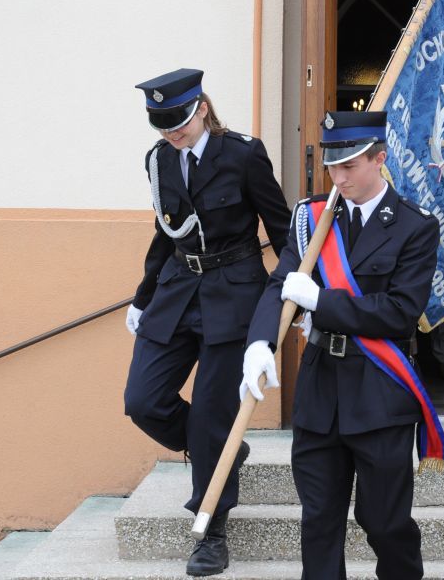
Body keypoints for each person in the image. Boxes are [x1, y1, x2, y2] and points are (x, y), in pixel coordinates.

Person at [240, 110, 441, 580]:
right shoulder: (311, 219)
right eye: (333, 165)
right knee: (319, 520)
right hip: (320, 390)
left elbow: (398, 313)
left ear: (380, 159)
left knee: (384, 521)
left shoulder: (415, 226)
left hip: (379, 393)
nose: (339, 176)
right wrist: (259, 343)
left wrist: (322, 302)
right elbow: (280, 285)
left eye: (350, 165)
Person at [122, 68, 291, 576]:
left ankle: (210, 529)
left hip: (233, 295)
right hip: (176, 292)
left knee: (213, 415)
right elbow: (165, 232)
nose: (171, 133)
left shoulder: (242, 154)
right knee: (143, 401)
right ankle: (218, 450)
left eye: (178, 121)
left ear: (200, 108)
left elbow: (281, 227)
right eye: (162, 125)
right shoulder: (157, 161)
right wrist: (143, 296)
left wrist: (289, 299)